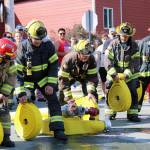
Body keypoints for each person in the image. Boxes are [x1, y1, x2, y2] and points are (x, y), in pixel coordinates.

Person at [15, 20, 67, 140]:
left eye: (41, 39)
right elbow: (17, 74)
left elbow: (54, 66)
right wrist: (21, 94)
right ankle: (28, 128)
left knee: (54, 100)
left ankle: (58, 130)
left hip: (44, 80)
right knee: (27, 101)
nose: (39, 42)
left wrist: (50, 84)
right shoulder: (22, 48)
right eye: (36, 39)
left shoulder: (48, 45)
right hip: (28, 81)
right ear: (29, 36)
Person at [105, 22, 141, 122]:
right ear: (119, 34)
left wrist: (127, 73)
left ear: (129, 36)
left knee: (133, 91)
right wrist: (113, 74)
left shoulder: (134, 45)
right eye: (122, 35)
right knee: (110, 91)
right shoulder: (113, 44)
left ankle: (132, 114)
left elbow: (136, 61)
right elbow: (107, 60)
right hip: (114, 73)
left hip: (129, 74)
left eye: (126, 36)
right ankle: (110, 113)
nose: (124, 37)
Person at [58, 39, 99, 110]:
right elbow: (63, 80)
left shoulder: (91, 59)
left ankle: (92, 112)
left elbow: (92, 78)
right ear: (78, 52)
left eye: (88, 55)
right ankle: (62, 111)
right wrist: (69, 99)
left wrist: (90, 92)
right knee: (62, 92)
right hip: (69, 77)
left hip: (84, 77)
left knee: (92, 94)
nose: (86, 57)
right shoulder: (68, 59)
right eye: (83, 54)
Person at [0, 38, 17, 147]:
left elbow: (12, 77)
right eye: (7, 58)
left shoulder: (9, 61)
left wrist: (4, 94)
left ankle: (6, 138)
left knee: (4, 112)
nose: (8, 60)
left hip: (1, 90)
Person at [94, 33, 109, 100]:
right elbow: (97, 59)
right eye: (104, 39)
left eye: (106, 39)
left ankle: (108, 93)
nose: (105, 40)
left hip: (108, 66)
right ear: (102, 40)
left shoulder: (110, 46)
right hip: (102, 66)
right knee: (103, 81)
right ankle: (103, 93)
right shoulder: (99, 48)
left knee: (108, 80)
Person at [137, 34, 150, 111]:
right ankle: (136, 109)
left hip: (143, 71)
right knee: (140, 92)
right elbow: (137, 57)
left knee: (140, 92)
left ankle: (137, 109)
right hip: (143, 72)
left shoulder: (142, 41)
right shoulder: (143, 41)